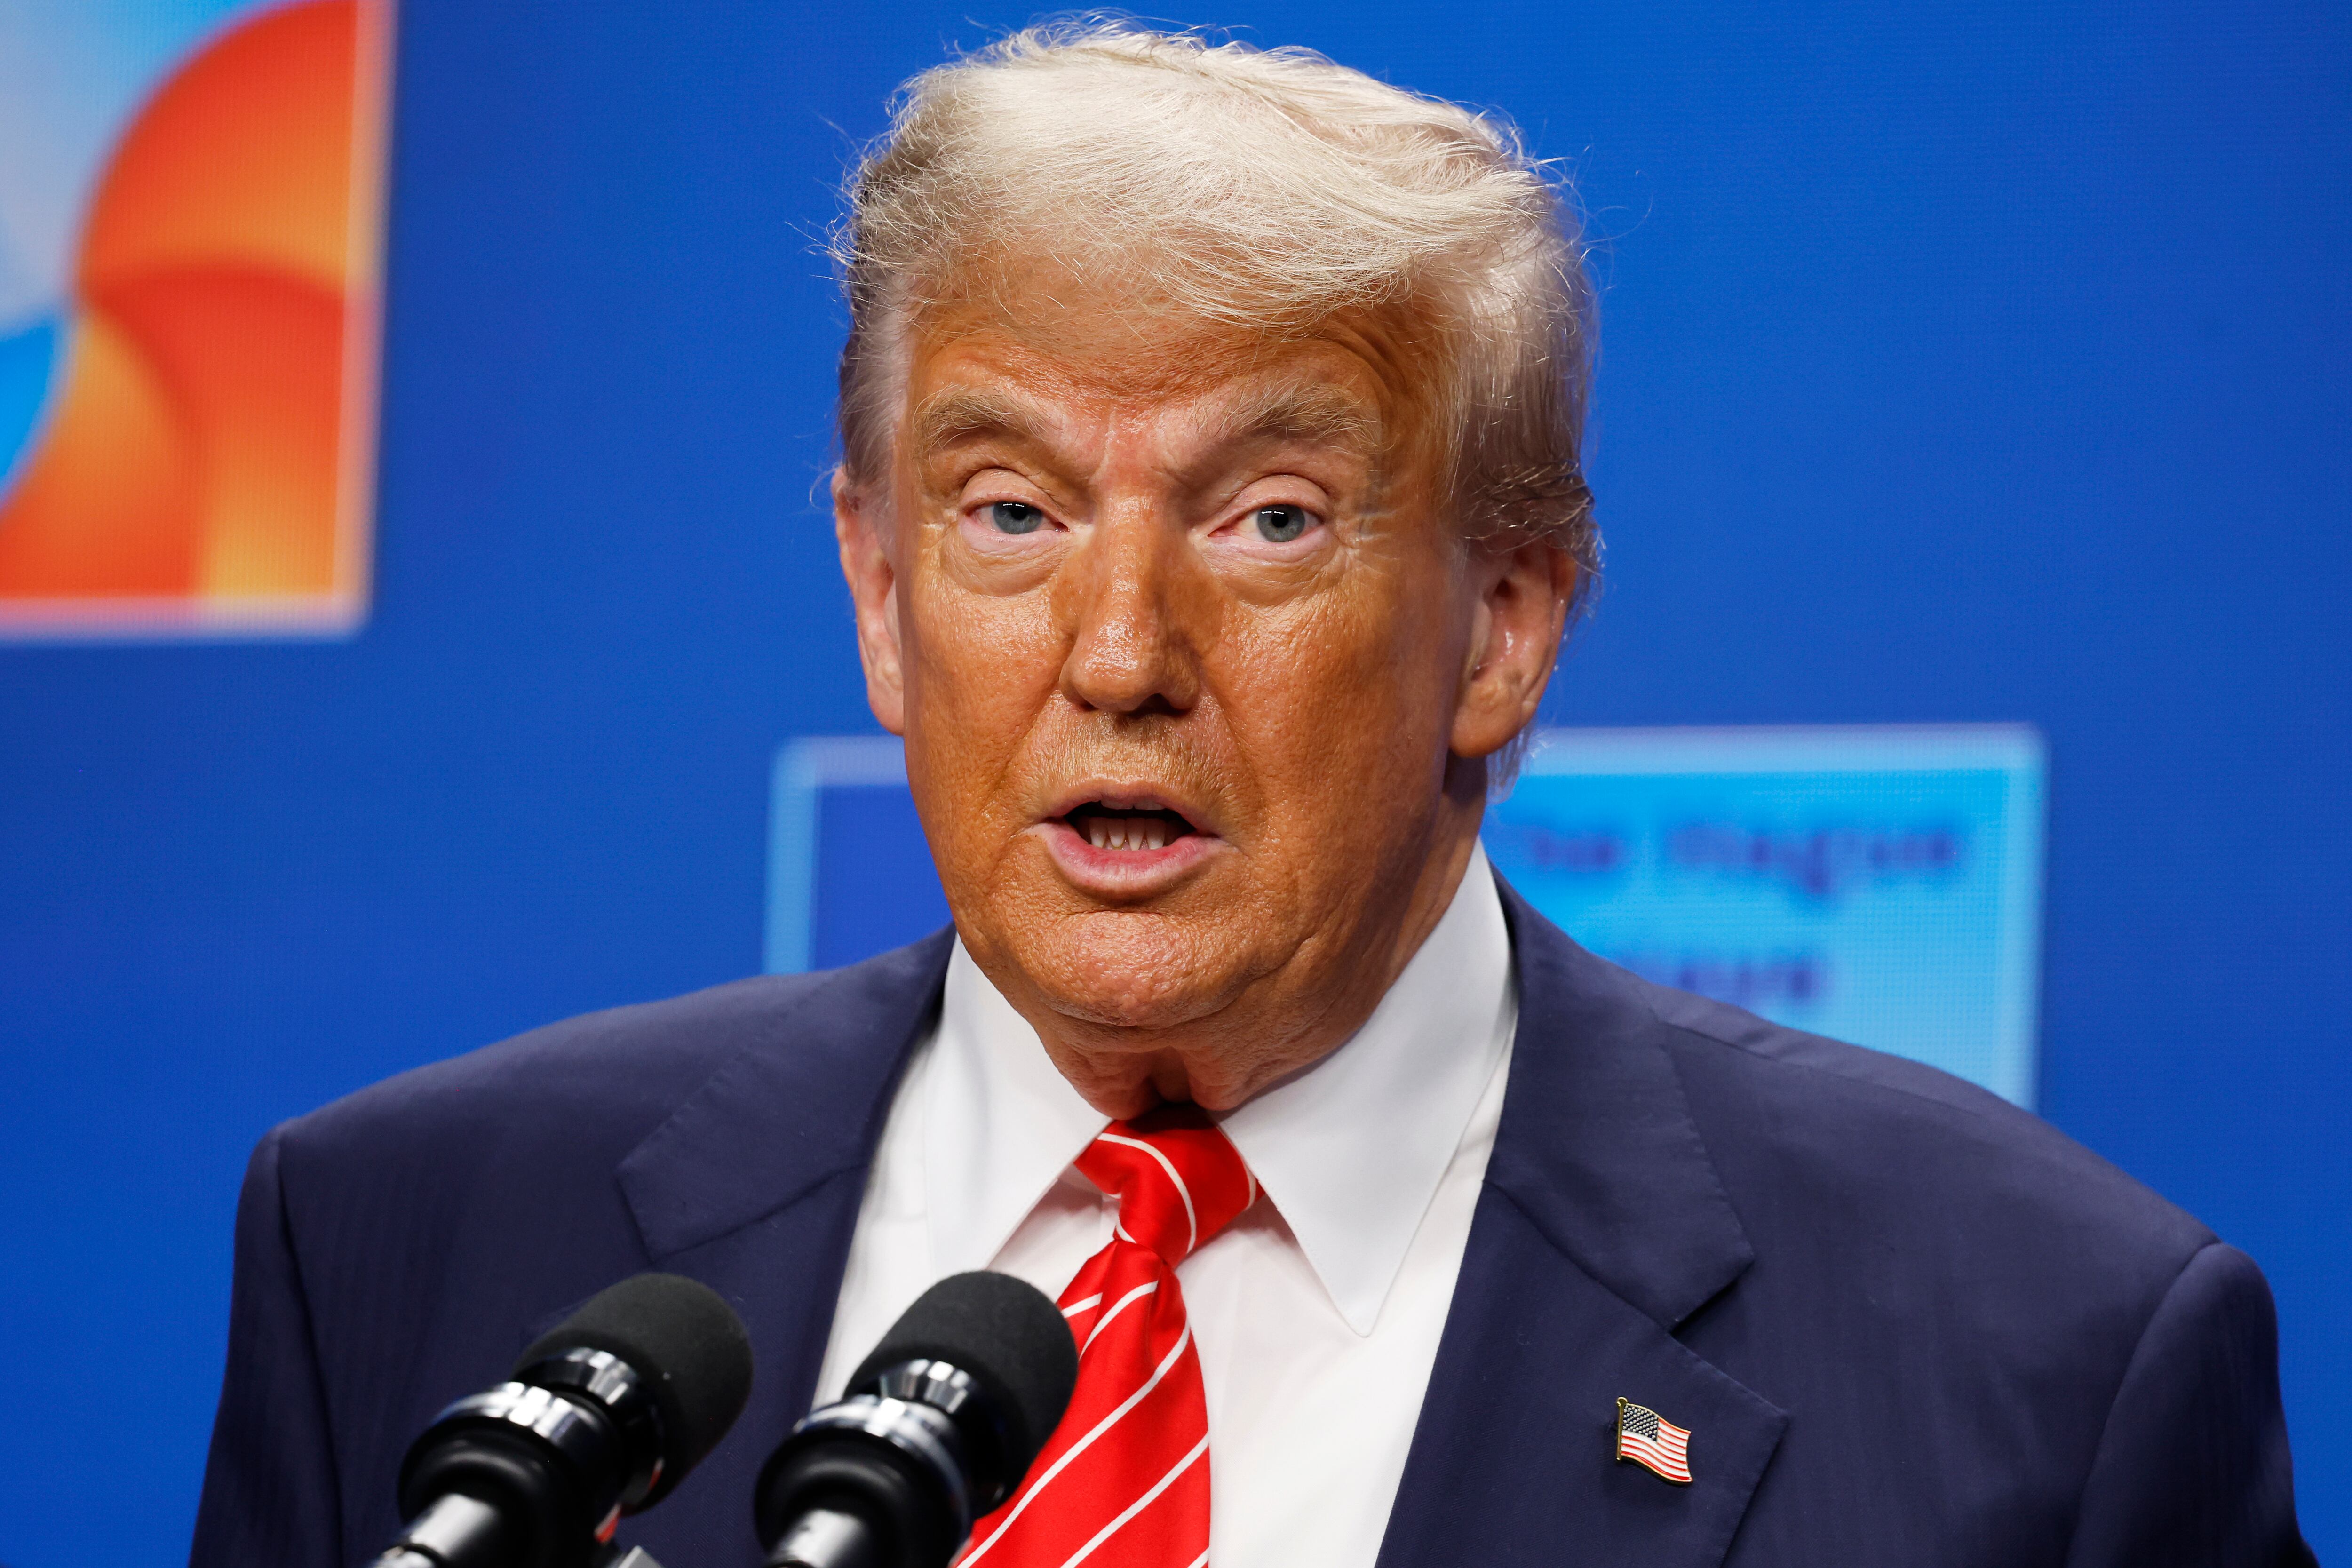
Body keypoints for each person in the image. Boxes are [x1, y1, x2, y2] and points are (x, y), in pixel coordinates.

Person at [191, 24, 2311, 1568]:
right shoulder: (410, 1241)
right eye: (1006, 510)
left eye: (1269, 519)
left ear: (1503, 615)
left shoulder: (2040, 1370)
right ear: (874, 585)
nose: (1116, 651)